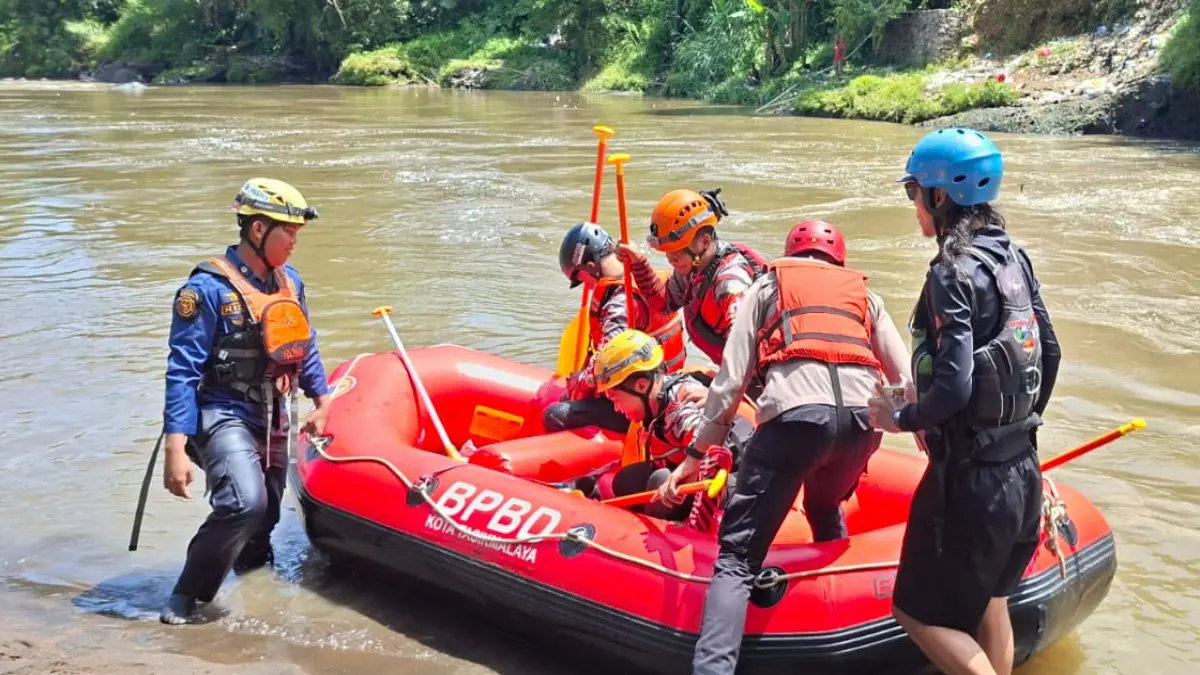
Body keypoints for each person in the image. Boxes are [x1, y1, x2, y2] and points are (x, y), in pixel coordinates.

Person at [867, 127, 1062, 675]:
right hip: (1022, 471)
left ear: (940, 195)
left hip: (969, 484)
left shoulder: (950, 272)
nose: (914, 206)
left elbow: (953, 388)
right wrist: (1014, 426)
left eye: (914, 193)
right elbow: (1050, 353)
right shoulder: (1014, 258)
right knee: (990, 605)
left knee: (915, 613)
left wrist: (901, 417)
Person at [682, 220, 913, 675]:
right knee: (824, 506)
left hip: (795, 421)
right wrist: (923, 437)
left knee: (736, 559)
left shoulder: (766, 287)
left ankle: (712, 669)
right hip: (862, 426)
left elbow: (730, 382)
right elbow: (906, 380)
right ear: (839, 260)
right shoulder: (866, 297)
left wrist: (697, 452)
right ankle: (849, 628)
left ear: (790, 255)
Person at [159, 178, 333, 625]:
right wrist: (175, 449)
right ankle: (188, 593)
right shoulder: (206, 291)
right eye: (287, 232)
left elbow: (305, 345)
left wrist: (321, 399)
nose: (294, 242)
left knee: (267, 513)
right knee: (243, 504)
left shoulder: (291, 282)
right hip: (222, 410)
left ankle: (257, 587)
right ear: (257, 229)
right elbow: (182, 372)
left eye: (296, 233)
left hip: (274, 412)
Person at [588, 330, 749, 527]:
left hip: (733, 479)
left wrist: (682, 477)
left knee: (660, 481)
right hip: (693, 468)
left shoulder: (679, 410)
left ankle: (670, 533)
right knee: (626, 480)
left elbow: (710, 445)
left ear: (641, 386)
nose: (616, 408)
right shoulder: (657, 399)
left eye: (616, 399)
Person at [545, 222, 686, 434]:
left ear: (590, 266)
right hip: (665, 386)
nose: (586, 286)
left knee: (555, 414)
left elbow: (607, 366)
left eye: (580, 278)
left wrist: (579, 382)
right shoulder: (644, 279)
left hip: (642, 401)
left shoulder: (619, 305)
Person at [615, 188, 768, 372]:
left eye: (677, 253)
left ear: (705, 242)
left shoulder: (731, 285)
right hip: (737, 372)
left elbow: (745, 353)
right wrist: (638, 263)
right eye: (667, 253)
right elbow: (664, 303)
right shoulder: (692, 268)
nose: (670, 260)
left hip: (758, 376)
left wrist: (719, 387)